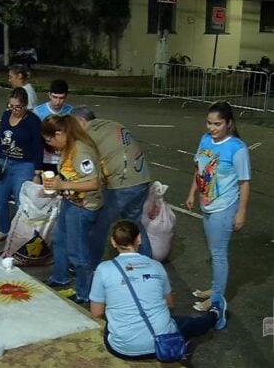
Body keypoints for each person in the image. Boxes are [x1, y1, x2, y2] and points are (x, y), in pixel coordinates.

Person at [89, 220, 227, 360]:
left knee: (112, 324)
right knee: (186, 323)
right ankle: (215, 314)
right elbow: (170, 304)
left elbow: (96, 312)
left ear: (113, 242)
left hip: (122, 349)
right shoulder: (156, 266)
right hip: (161, 342)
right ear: (139, 239)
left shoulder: (103, 269)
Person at [185, 100, 250, 313]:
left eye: (217, 124)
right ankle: (214, 289)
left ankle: (216, 299)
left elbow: (244, 182)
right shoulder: (205, 140)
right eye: (209, 123)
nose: (212, 128)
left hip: (225, 207)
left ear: (228, 123)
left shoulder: (237, 148)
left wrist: (241, 212)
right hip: (207, 204)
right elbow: (199, 169)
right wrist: (192, 193)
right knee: (214, 252)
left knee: (219, 253)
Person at [72, 106, 153, 260]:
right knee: (134, 223)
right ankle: (146, 261)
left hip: (121, 184)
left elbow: (91, 168)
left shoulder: (88, 136)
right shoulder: (114, 124)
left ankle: (91, 264)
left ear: (81, 121)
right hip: (142, 179)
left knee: (100, 225)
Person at [41, 114, 102, 304]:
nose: (49, 144)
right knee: (59, 240)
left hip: (82, 207)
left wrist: (60, 186)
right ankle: (60, 277)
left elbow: (94, 183)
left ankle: (85, 293)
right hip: (71, 202)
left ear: (59, 134)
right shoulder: (68, 148)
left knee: (78, 253)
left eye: (49, 139)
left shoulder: (81, 152)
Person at [0, 87, 43, 243]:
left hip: (24, 165)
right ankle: (4, 230)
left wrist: (37, 173)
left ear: (25, 106)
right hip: (4, 162)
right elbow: (1, 137)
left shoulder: (32, 121)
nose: (13, 110)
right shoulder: (6, 115)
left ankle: (22, 235)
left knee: (22, 202)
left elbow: (38, 147)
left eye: (17, 107)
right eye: (10, 106)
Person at [34, 79, 73, 174]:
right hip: (45, 160)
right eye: (55, 97)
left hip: (65, 160)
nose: (57, 102)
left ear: (66, 96)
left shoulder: (71, 112)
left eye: (61, 98)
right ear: (49, 95)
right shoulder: (38, 112)